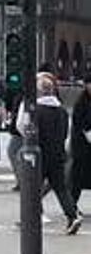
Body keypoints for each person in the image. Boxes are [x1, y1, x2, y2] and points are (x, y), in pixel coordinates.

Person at [19, 73, 81, 233]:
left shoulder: (36, 110)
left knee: (32, 187)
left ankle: (30, 217)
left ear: (39, 91)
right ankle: (72, 215)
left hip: (40, 154)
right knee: (61, 188)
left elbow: (24, 128)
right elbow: (66, 132)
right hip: (58, 153)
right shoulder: (62, 111)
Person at [69, 75, 91, 213]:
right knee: (77, 179)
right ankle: (72, 206)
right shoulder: (81, 102)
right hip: (82, 147)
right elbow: (79, 122)